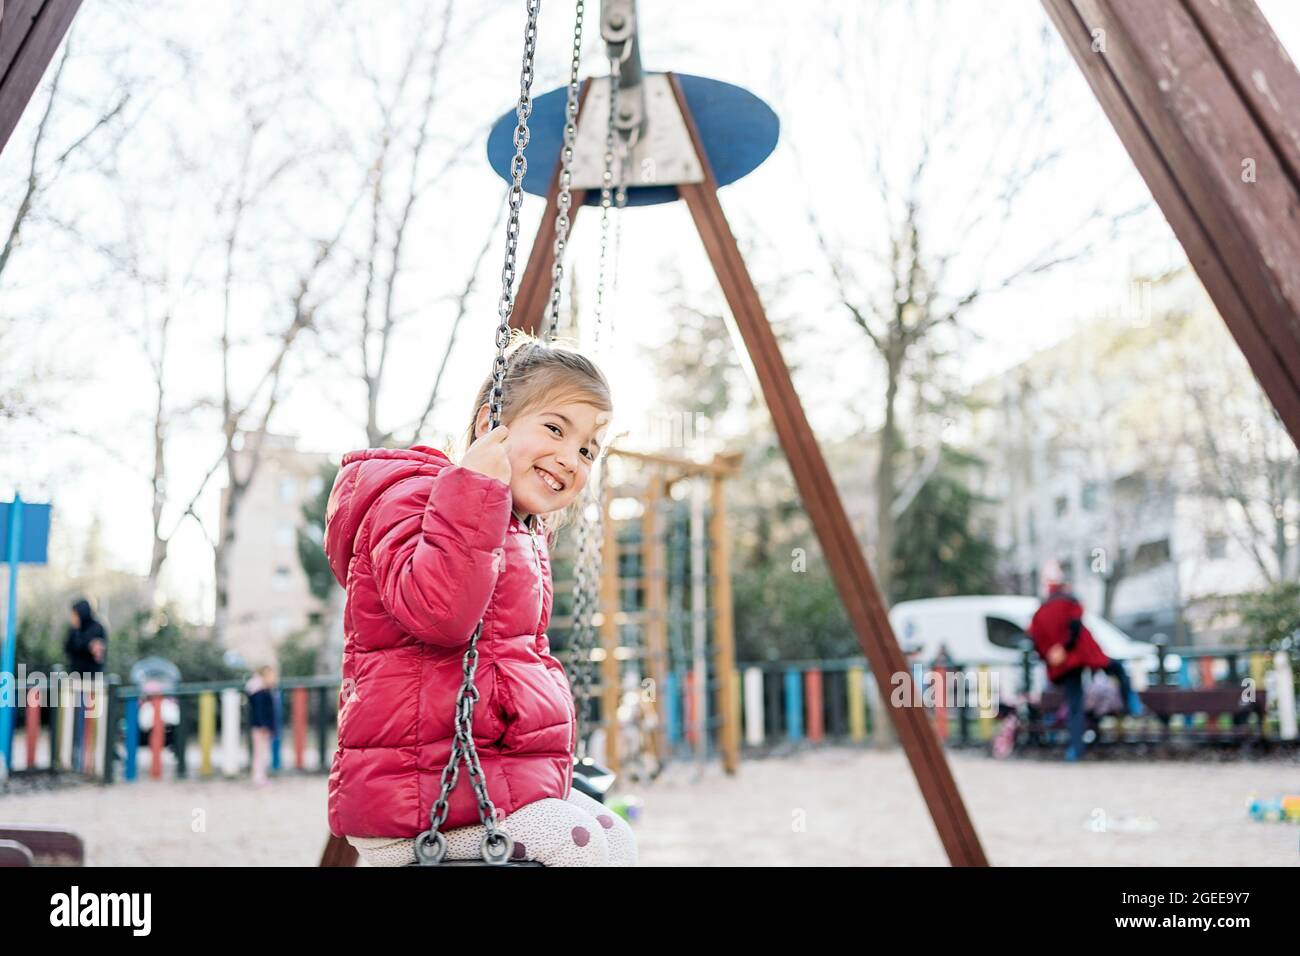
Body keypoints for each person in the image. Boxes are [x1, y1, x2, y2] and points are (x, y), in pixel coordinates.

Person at [322, 332, 637, 867]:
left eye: (587, 449)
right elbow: (439, 614)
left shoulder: (518, 531)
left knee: (616, 834)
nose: (570, 458)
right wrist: (474, 490)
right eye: (555, 429)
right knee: (576, 844)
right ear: (489, 425)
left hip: (482, 783)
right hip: (418, 802)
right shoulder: (418, 496)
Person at [1027, 560, 1142, 762]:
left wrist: (1052, 653)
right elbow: (1074, 627)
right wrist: (1065, 647)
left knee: (1074, 702)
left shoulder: (1040, 613)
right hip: (1082, 654)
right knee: (1116, 668)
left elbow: (1036, 640)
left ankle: (1076, 748)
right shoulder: (1069, 602)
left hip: (1064, 663)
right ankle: (1132, 702)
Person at [64, 598, 106, 773]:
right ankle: (75, 754)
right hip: (75, 681)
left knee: (91, 720)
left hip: (92, 684)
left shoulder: (97, 628)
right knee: (75, 719)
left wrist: (83, 643)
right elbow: (68, 648)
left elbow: (92, 650)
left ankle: (91, 757)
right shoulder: (74, 630)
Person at [245, 664, 280, 787]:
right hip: (261, 728)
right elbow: (260, 712)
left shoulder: (264, 691)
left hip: (262, 727)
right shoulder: (260, 692)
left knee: (262, 752)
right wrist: (264, 726)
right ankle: (258, 777)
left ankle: (260, 776)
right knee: (260, 752)